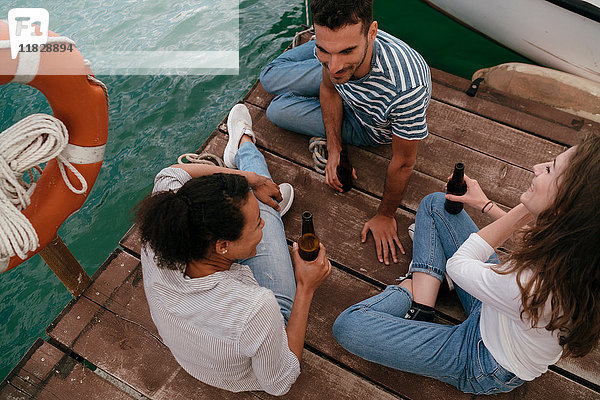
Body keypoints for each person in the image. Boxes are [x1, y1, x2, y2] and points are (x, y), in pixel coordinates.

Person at [331, 133, 600, 395]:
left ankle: (411, 290)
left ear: (565, 208)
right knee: (438, 204)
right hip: (498, 308)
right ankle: (423, 309)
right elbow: (526, 235)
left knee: (349, 326)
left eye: (550, 170)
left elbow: (458, 265)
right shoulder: (581, 255)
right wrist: (486, 204)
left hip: (482, 359)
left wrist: (528, 205)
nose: (537, 167)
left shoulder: (532, 287)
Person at [136, 104, 331, 395]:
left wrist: (249, 180)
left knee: (258, 191)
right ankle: (244, 144)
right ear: (223, 246)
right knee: (270, 208)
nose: (261, 225)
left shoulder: (162, 232)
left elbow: (172, 172)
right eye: (256, 225)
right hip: (239, 371)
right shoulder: (257, 309)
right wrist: (306, 286)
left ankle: (247, 169)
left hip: (198, 350)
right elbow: (279, 382)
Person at [259, 0, 431, 266]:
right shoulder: (333, 63)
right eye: (324, 50)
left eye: (347, 51)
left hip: (368, 128)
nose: (335, 66)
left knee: (276, 109)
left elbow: (405, 162)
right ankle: (313, 48)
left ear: (372, 33)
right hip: (348, 100)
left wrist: (385, 215)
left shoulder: (406, 89)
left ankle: (307, 55)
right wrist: (334, 148)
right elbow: (329, 88)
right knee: (268, 79)